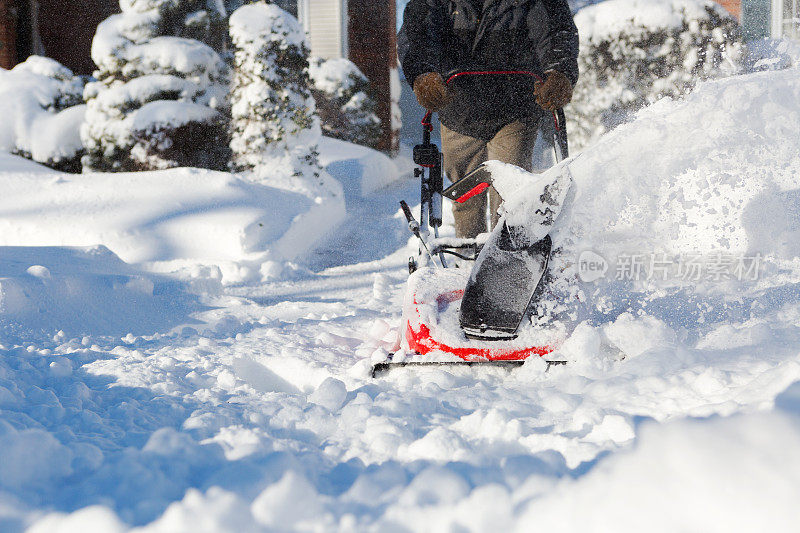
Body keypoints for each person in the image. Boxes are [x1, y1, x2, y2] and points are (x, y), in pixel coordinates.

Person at [398, 0, 579, 239]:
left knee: (511, 196)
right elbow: (418, 33)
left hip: (515, 110)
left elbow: (556, 32)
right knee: (465, 199)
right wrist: (423, 73)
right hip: (458, 108)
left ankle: (505, 258)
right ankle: (469, 261)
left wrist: (559, 72)